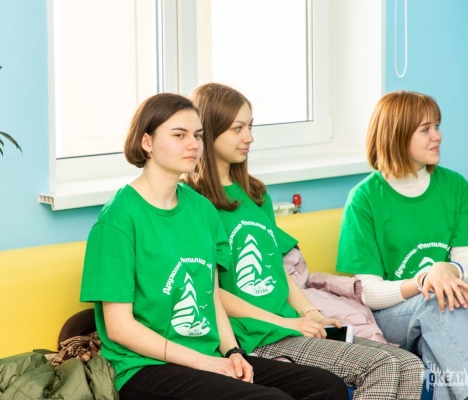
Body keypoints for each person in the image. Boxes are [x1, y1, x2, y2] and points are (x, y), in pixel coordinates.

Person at [79, 92, 348, 400]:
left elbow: (211, 296)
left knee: (328, 387)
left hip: (207, 354)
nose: (193, 144)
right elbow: (120, 328)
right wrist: (204, 362)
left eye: (197, 135)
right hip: (145, 367)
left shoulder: (201, 209)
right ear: (147, 142)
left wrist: (232, 352)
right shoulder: (118, 219)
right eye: (179, 135)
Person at [183, 82, 424, 400]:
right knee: (384, 365)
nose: (249, 137)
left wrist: (310, 313)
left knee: (411, 365)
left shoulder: (256, 194)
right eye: (237, 128)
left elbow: (277, 271)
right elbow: (212, 293)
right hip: (255, 334)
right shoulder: (194, 204)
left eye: (250, 126)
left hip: (288, 324)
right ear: (210, 131)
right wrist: (288, 323)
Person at [336, 90, 468, 400]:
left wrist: (448, 270)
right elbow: (370, 293)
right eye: (425, 129)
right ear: (398, 135)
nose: (437, 136)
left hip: (444, 313)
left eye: (437, 126)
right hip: (391, 317)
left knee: (441, 330)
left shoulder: (455, 186)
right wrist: (425, 280)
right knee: (438, 299)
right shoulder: (364, 198)